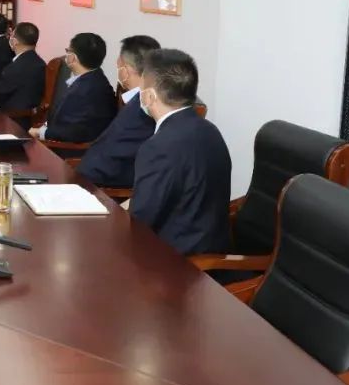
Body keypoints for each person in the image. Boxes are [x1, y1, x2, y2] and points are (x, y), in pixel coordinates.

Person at [129, 49, 231, 255]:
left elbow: (140, 222)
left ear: (149, 96)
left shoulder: (159, 147)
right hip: (208, 246)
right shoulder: (210, 130)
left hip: (175, 259)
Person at [76, 35, 160, 187]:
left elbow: (113, 159)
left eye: (118, 67)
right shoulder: (144, 100)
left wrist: (76, 181)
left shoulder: (142, 110)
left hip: (101, 188)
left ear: (126, 70)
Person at [29, 32, 117, 143]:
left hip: (69, 149)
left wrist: (40, 133)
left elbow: (74, 132)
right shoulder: (96, 77)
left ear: (73, 58)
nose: (66, 55)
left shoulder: (84, 91)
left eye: (68, 51)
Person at [0, 22, 46, 120]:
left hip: (10, 118)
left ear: (15, 41)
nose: (9, 38)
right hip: (26, 117)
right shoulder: (40, 63)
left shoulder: (17, 67)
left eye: (11, 35)